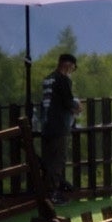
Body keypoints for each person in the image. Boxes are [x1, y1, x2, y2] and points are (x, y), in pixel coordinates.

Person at [38, 53, 82, 201]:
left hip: (46, 125)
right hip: (58, 126)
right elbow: (67, 101)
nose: (71, 71)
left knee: (47, 160)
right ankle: (53, 194)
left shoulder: (48, 79)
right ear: (68, 65)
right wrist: (77, 107)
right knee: (57, 161)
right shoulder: (62, 80)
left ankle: (46, 193)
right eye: (73, 68)